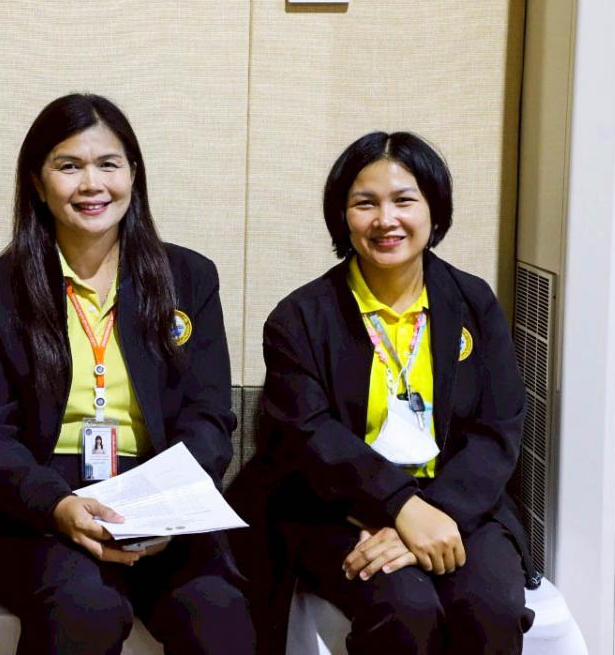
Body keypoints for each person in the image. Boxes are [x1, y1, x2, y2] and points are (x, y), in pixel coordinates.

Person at [0, 93, 255, 655]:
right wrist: (59, 507)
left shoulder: (189, 277)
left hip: (158, 495)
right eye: (69, 166)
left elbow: (210, 416)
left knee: (217, 611)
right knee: (85, 608)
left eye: (108, 164)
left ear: (133, 175)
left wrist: (169, 505)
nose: (92, 184)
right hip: (40, 504)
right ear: (38, 182)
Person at [228, 131, 534, 654]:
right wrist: (400, 509)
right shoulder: (300, 317)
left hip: (460, 502)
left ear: (434, 209)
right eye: (365, 203)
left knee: (490, 607)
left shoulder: (473, 302)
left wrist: (433, 513)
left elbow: (498, 427)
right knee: (403, 604)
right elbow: (310, 438)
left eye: (404, 201)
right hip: (340, 508)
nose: (385, 219)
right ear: (342, 216)